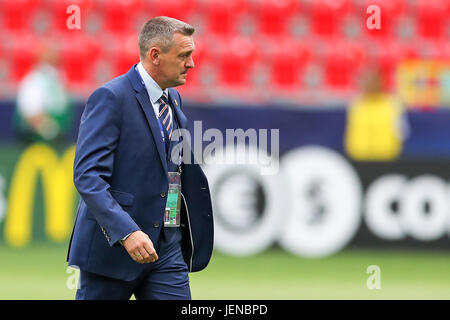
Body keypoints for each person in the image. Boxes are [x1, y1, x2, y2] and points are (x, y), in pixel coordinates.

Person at [67, 16, 214, 300]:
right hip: (113, 250)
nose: (192, 64)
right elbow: (88, 176)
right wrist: (126, 232)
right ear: (155, 55)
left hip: (166, 249)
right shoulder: (111, 97)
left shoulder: (173, 99)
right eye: (184, 55)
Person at [344, 69, 409, 161]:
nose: (369, 85)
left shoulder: (393, 103)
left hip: (387, 158)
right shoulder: (356, 104)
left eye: (372, 81)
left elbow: (402, 132)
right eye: (365, 81)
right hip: (359, 159)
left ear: (380, 82)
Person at [14, 43, 73, 143]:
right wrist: (45, 126)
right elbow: (31, 111)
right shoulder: (34, 79)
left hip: (62, 128)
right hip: (40, 135)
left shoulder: (57, 76)